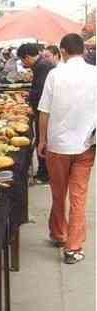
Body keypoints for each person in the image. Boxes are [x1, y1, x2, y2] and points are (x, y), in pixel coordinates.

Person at [37, 33, 96, 264]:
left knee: (58, 192)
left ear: (62, 50)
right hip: (86, 145)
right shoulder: (95, 74)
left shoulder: (55, 74)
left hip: (57, 145)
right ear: (82, 50)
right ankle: (73, 248)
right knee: (79, 196)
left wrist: (41, 140)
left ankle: (58, 233)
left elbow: (44, 111)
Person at [17, 43, 55, 183]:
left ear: (27, 57)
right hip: (41, 108)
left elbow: (41, 91)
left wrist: (31, 104)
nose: (23, 63)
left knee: (42, 140)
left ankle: (44, 174)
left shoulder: (42, 66)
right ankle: (44, 172)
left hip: (43, 110)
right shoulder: (42, 64)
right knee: (41, 140)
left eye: (22, 60)